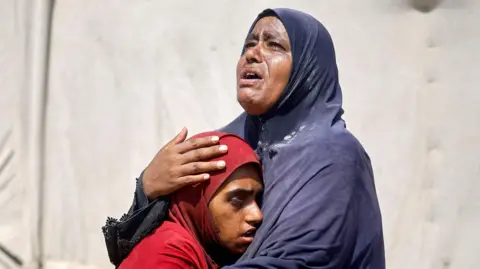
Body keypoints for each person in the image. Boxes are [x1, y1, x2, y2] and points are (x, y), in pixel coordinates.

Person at [103, 8, 385, 269]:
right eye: (249, 44)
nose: (253, 54)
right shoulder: (226, 146)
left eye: (274, 45)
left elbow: (302, 261)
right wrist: (149, 191)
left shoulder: (332, 158)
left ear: (308, 70)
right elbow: (149, 251)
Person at [118, 132, 263, 269]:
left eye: (258, 199)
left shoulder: (204, 251)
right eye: (237, 201)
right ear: (197, 200)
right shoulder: (167, 255)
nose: (257, 215)